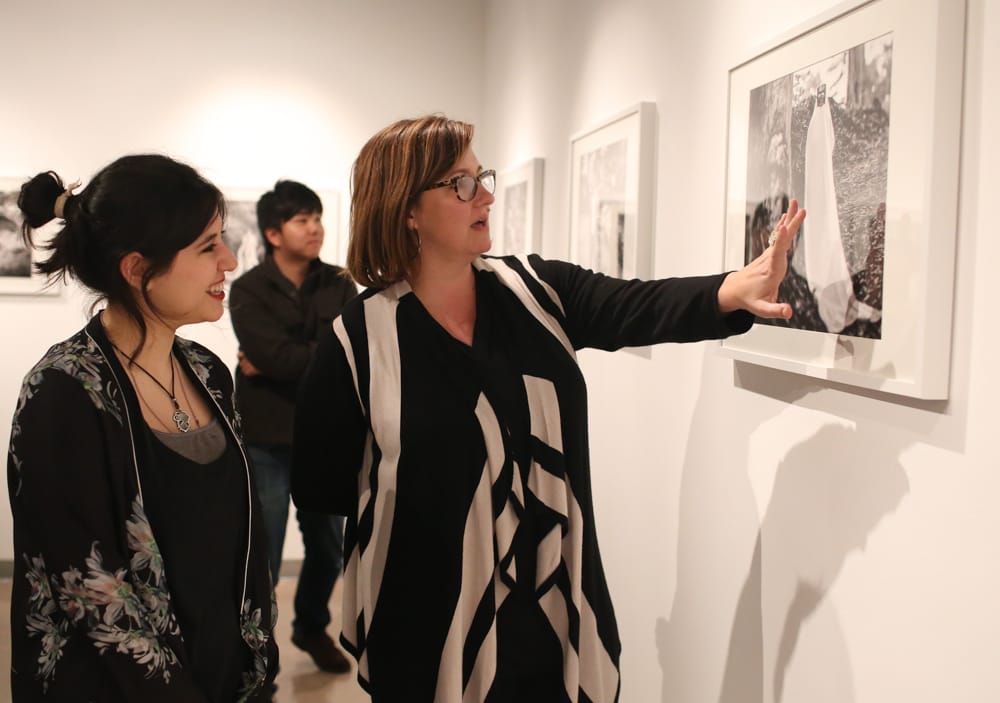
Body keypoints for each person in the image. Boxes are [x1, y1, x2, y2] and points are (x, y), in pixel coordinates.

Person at [290, 115, 806, 703]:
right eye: (460, 184)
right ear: (407, 209)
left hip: (557, 607)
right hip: (430, 628)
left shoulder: (534, 290)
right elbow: (322, 487)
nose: (484, 194)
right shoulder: (358, 342)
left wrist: (734, 288)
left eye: (480, 176)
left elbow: (637, 304)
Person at [8, 155, 278, 702]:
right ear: (136, 270)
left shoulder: (207, 372)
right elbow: (89, 589)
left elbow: (237, 537)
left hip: (219, 674)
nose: (228, 260)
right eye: (207, 247)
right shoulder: (62, 391)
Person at [228, 180, 357, 674]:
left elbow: (344, 358)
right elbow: (279, 357)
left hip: (325, 437)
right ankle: (255, 650)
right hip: (265, 440)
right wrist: (300, 357)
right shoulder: (247, 289)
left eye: (317, 218)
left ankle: (309, 627)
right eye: (302, 220)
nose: (315, 228)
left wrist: (280, 361)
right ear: (274, 232)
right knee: (263, 554)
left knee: (328, 550)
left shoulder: (340, 283)